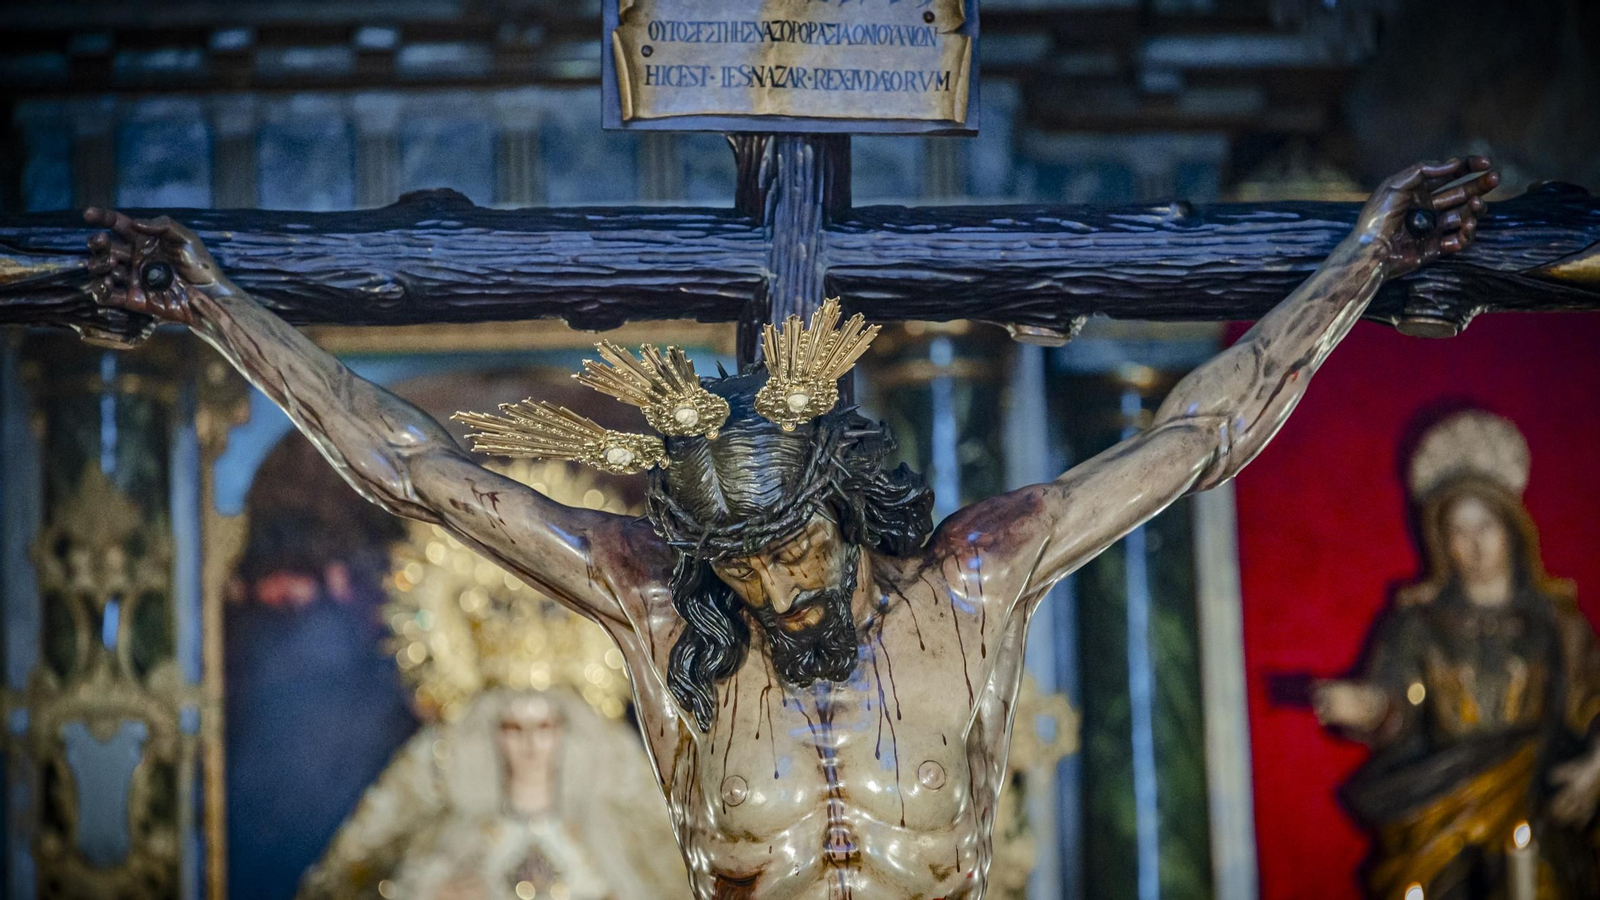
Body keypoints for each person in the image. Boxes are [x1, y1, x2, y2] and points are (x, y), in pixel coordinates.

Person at [82, 155, 1495, 899]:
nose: (774, 595)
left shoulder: (976, 582)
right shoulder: (656, 607)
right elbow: (414, 467)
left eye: (796, 557)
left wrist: (1367, 256)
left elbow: (1204, 435)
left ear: (850, 506)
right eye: (740, 574)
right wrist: (211, 302)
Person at [1315, 411, 1600, 900]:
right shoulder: (1416, 626)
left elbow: (1592, 697)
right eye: (1458, 530)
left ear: (1511, 528)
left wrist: (1597, 765)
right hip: (1438, 810)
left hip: (1537, 800)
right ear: (1440, 541)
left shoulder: (1558, 624)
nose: (1473, 543)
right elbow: (1398, 701)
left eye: (1485, 525)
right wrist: (1369, 708)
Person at [299, 688, 683, 900]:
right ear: (495, 736)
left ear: (563, 734)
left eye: (544, 726)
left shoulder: (603, 842)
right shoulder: (456, 841)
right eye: (515, 727)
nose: (531, 743)